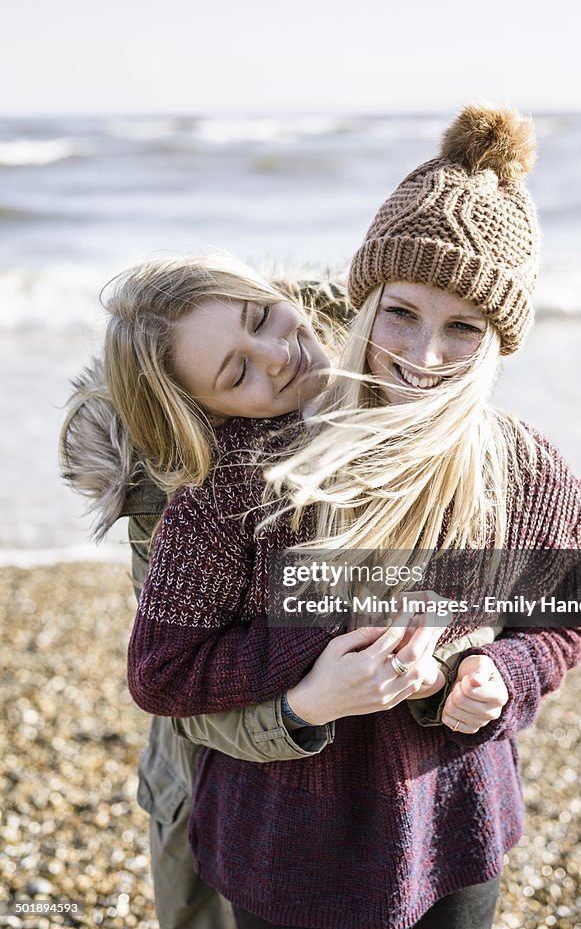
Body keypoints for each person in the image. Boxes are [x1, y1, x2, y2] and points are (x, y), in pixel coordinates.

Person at [125, 104, 581, 929]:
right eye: (401, 313)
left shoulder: (531, 472)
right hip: (280, 846)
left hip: (455, 827)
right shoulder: (246, 475)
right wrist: (316, 666)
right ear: (365, 300)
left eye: (463, 327)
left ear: (499, 339)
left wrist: (502, 675)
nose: (423, 356)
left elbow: (573, 615)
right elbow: (161, 670)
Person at [61, 258, 496, 929]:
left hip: (415, 785)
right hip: (244, 791)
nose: (280, 355)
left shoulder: (393, 344)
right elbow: (176, 683)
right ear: (204, 414)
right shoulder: (182, 501)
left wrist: (460, 653)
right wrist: (302, 704)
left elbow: (497, 564)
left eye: (262, 317)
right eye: (238, 374)